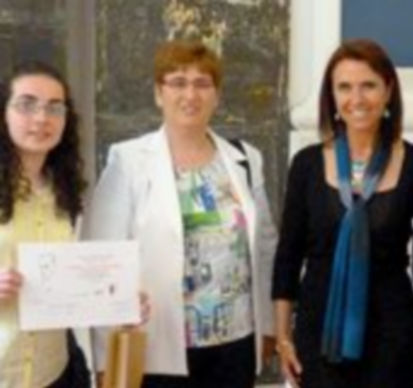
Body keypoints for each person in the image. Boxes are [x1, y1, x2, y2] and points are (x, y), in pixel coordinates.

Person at [81, 39, 278, 387]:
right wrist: (103, 357)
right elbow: (102, 261)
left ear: (216, 95)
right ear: (159, 93)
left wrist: (269, 328)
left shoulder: (246, 159)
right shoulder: (127, 162)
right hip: (156, 346)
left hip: (235, 344)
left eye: (203, 83)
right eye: (178, 82)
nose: (191, 94)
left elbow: (264, 249)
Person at [271, 39, 413, 388]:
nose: (357, 98)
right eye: (344, 87)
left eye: (368, 85)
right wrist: (282, 337)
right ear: (332, 98)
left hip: (392, 336)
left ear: (388, 91)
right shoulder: (307, 164)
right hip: (319, 333)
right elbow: (288, 258)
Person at [0, 61, 89, 387]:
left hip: (55, 372)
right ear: (3, 113)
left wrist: (119, 297)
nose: (41, 118)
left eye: (55, 108)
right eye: (26, 105)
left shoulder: (66, 192)